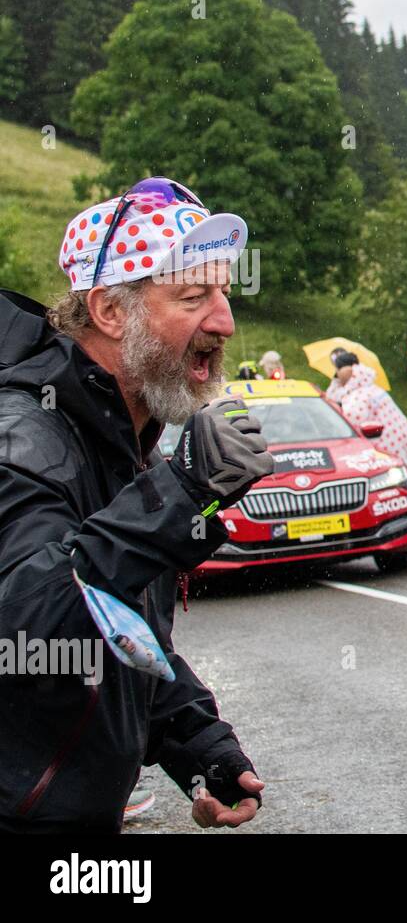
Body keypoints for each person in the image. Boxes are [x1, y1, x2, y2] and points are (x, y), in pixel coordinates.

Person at [1, 176, 271, 831]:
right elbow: (31, 629)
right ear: (111, 312)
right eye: (193, 296)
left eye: (225, 294)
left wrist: (194, 740)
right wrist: (180, 493)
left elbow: (117, 630)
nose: (225, 321)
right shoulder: (22, 435)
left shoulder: (124, 437)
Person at [333, 360, 407, 474]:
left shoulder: (357, 397)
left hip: (382, 443)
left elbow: (348, 422)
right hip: (400, 438)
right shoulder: (373, 389)